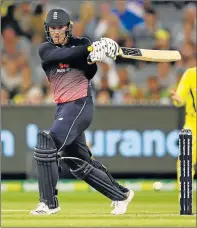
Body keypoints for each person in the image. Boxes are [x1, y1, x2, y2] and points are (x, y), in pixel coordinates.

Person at [30, 8, 134, 216]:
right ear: (47, 30)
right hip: (63, 108)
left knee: (46, 143)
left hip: (79, 105)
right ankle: (121, 195)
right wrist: (90, 50)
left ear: (68, 28)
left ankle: (49, 204)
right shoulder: (46, 49)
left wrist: (98, 56)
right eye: (53, 28)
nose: (56, 32)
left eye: (60, 27)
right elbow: (63, 55)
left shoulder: (82, 43)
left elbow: (89, 72)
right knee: (78, 162)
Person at [170, 67, 196, 190]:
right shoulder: (190, 74)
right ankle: (185, 198)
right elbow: (179, 99)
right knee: (185, 161)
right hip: (193, 122)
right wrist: (178, 100)